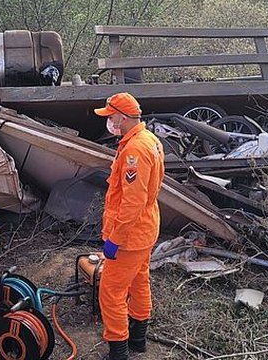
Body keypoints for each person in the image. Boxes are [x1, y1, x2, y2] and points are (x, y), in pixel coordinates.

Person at [93, 92, 165, 360]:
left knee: (111, 291)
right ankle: (138, 340)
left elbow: (133, 202)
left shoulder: (135, 149)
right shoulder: (150, 140)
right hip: (146, 229)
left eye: (111, 117)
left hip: (131, 235)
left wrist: (116, 238)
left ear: (122, 118)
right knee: (139, 281)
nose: (109, 122)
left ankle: (118, 350)